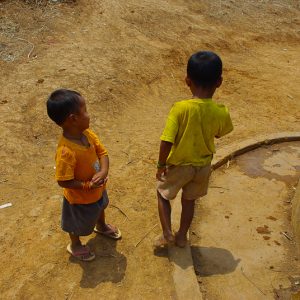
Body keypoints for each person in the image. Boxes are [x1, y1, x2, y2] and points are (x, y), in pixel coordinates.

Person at [156, 51, 233, 248]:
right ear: (219, 82)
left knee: (163, 194)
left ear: (187, 80)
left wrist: (160, 165)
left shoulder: (180, 108)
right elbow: (219, 133)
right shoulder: (220, 111)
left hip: (180, 165)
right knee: (189, 201)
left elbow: (166, 141)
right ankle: (182, 236)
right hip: (203, 166)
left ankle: (167, 234)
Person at [46, 89, 121, 261]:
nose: (89, 115)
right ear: (73, 119)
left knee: (101, 206)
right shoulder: (66, 152)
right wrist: (87, 186)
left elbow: (103, 152)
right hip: (79, 198)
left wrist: (103, 171)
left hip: (98, 188)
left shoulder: (87, 134)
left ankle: (101, 226)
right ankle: (75, 244)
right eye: (85, 111)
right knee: (75, 224)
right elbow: (63, 181)